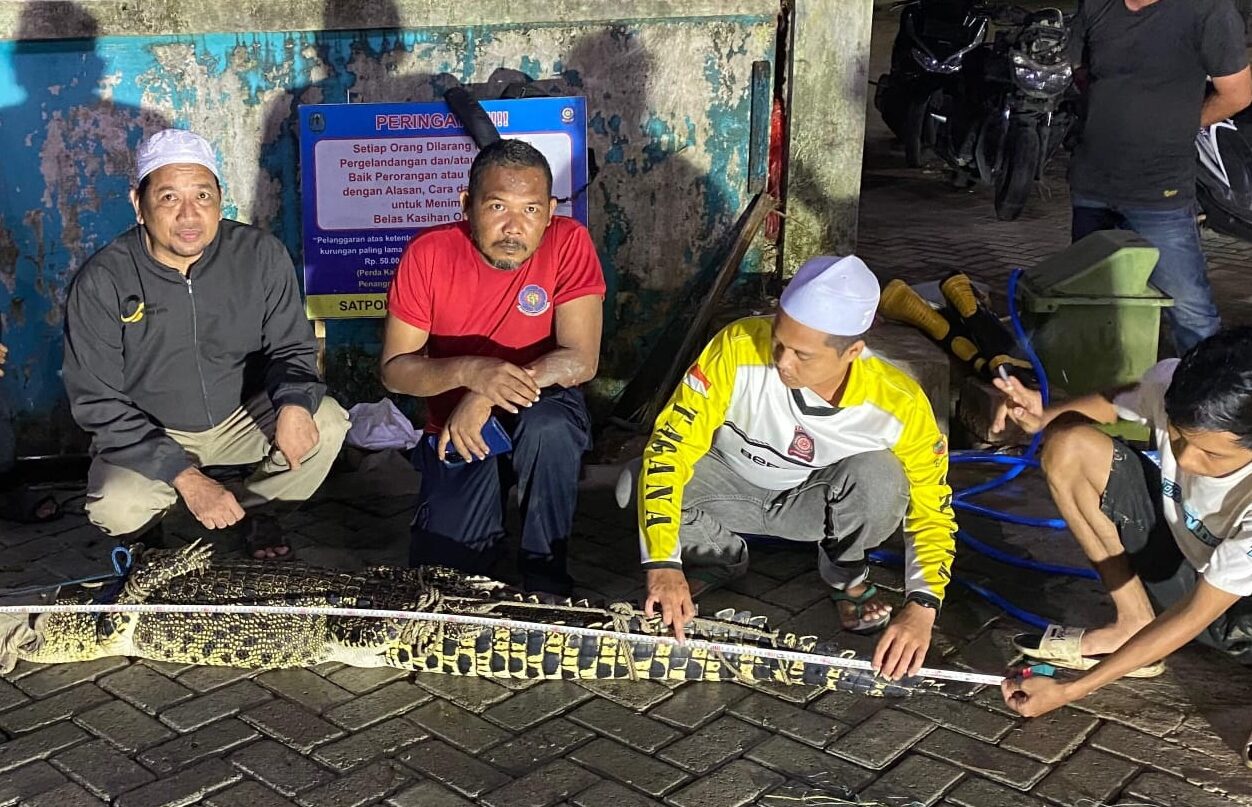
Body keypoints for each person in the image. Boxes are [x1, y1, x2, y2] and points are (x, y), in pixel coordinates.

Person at [637, 255, 957, 681]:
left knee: (882, 479)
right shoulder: (736, 346)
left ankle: (846, 577)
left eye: (802, 354)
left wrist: (922, 607)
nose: (782, 362)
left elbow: (932, 511)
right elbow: (670, 447)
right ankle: (721, 557)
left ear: (854, 352)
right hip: (730, 483)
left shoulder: (899, 403)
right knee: (634, 484)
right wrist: (662, 563)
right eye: (778, 340)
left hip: (810, 503)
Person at [63, 128, 349, 559]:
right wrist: (186, 477)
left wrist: (293, 401)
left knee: (326, 422)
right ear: (138, 205)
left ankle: (258, 510)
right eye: (168, 198)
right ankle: (149, 532)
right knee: (116, 505)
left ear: (219, 198)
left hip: (243, 414)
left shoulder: (259, 255)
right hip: (154, 427)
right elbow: (97, 400)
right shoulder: (103, 280)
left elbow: (291, 348)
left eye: (202, 196)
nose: (188, 215)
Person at [380, 139, 605, 597]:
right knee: (446, 578)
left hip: (538, 413)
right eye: (498, 206)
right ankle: (484, 525)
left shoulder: (569, 242)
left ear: (550, 210)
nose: (513, 227)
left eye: (530, 210)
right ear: (467, 205)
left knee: (550, 425)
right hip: (457, 429)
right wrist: (468, 372)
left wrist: (484, 392)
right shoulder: (429, 253)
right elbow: (395, 370)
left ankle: (545, 571)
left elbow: (581, 359)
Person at [995, 328, 1252, 719]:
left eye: (1210, 454)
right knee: (1068, 444)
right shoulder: (1172, 385)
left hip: (1241, 621)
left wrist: (1070, 690)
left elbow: (1194, 613)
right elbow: (1119, 401)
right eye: (1179, 437)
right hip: (1191, 566)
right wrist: (1044, 416)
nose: (1185, 460)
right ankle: (1132, 622)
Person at [1067, 0, 1252, 354]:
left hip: (1160, 192)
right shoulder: (1096, 5)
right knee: (1089, 300)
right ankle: (1102, 391)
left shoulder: (1208, 12)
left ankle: (1203, 398)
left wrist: (1181, 125)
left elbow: (1238, 93)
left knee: (1190, 312)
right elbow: (1081, 71)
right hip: (1093, 182)